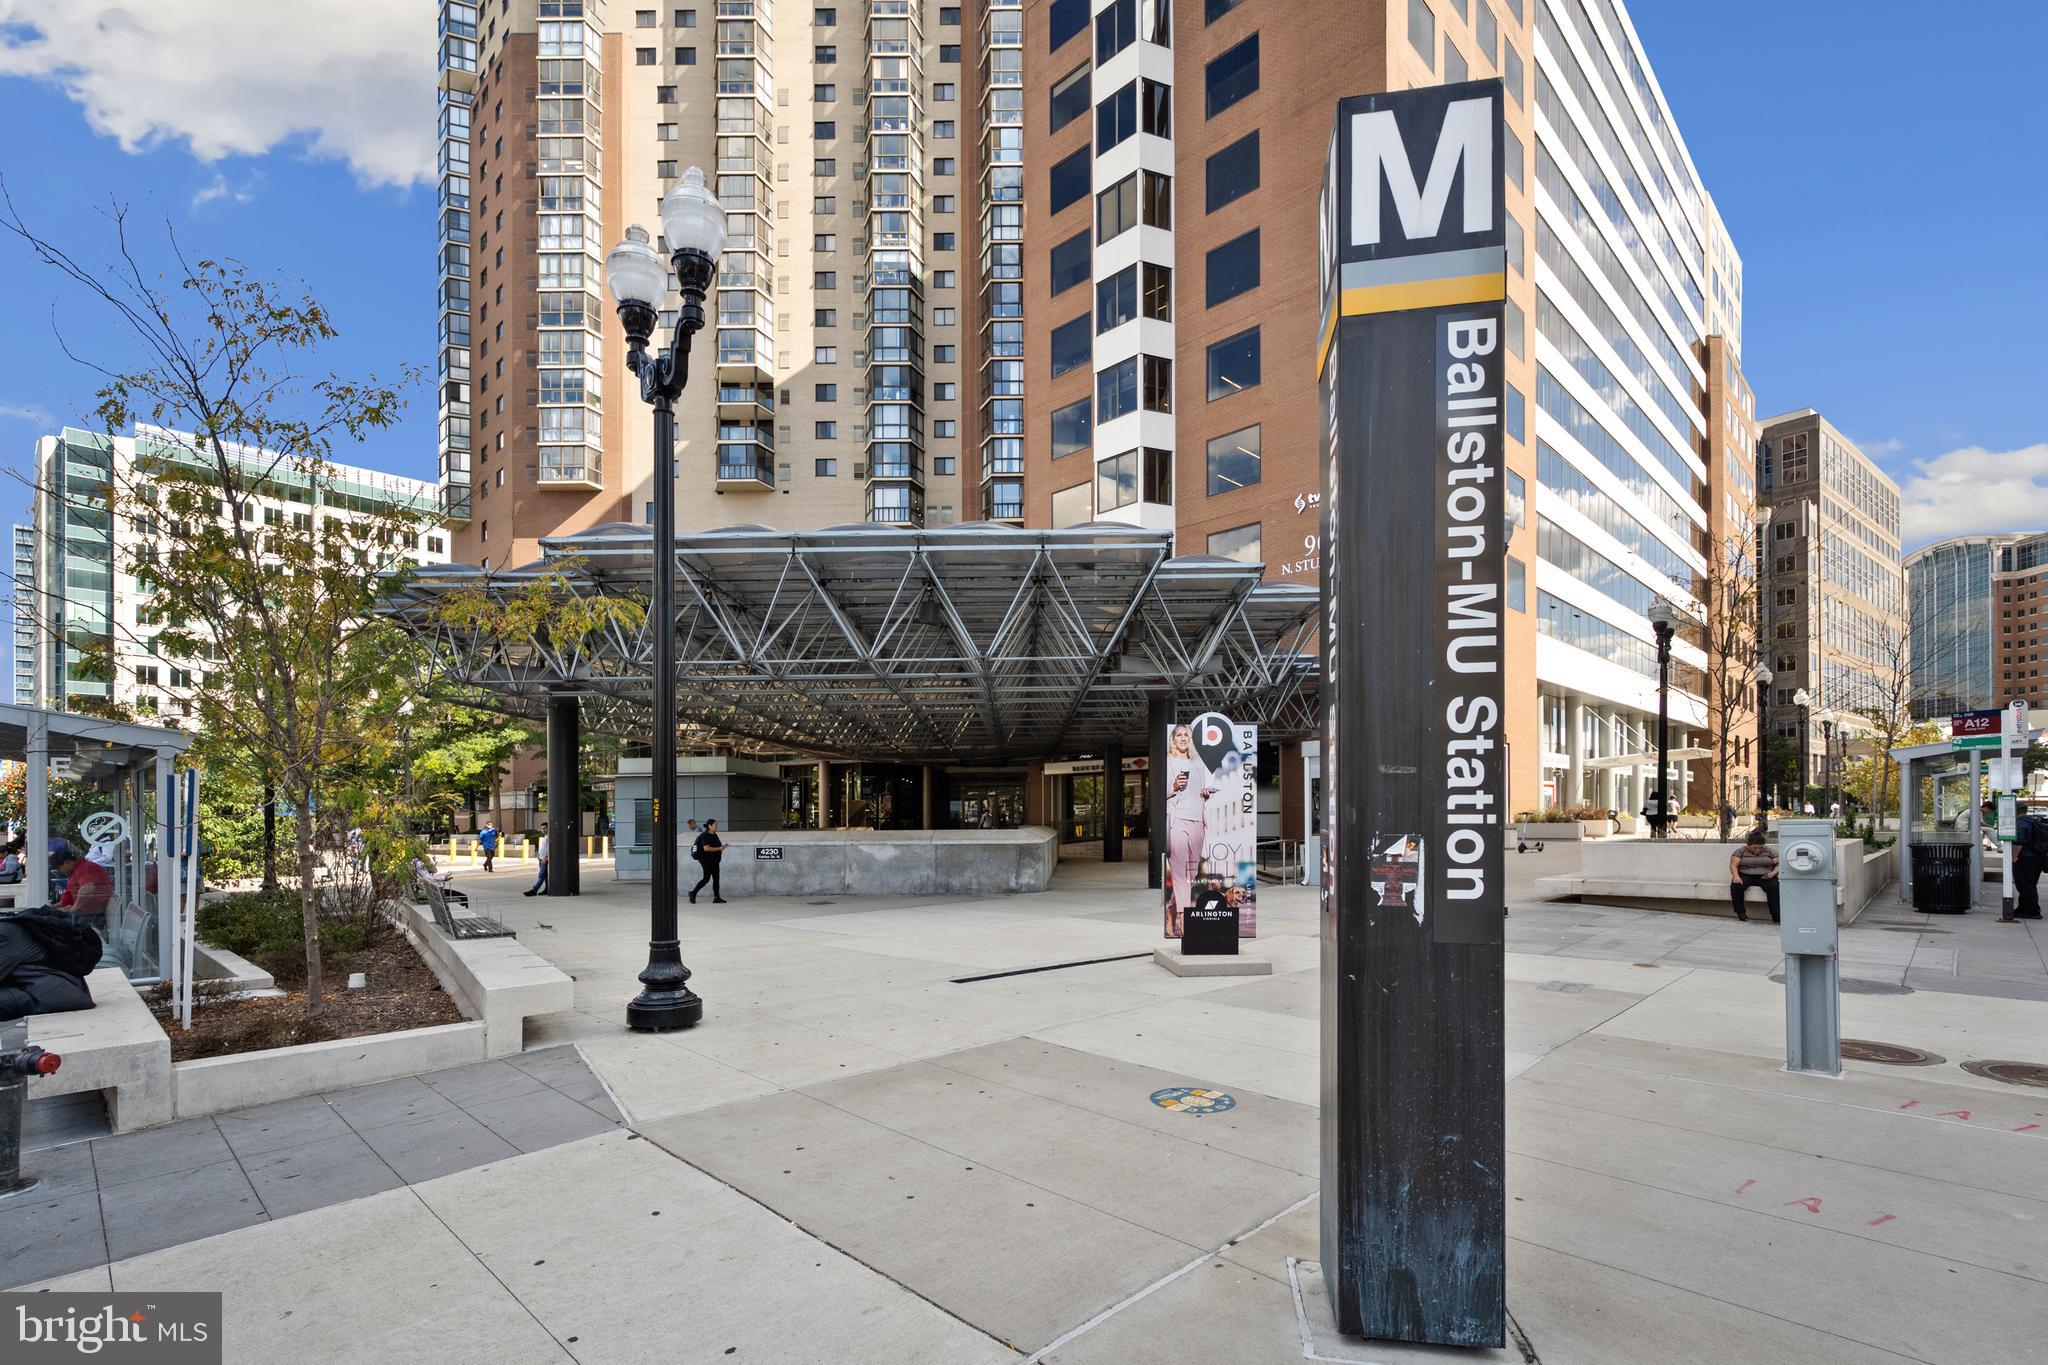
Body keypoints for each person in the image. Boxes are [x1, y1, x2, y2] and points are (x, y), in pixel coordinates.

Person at [1164, 724, 1215, 928]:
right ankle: (1185, 918)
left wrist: (1205, 793)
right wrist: (1174, 786)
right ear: (1173, 740)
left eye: (1186, 735)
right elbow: (1161, 792)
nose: (1183, 738)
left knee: (1191, 875)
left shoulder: (1197, 763)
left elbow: (1198, 791)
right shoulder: (1167, 762)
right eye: (1179, 735)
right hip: (1177, 821)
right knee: (1179, 873)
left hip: (1198, 821)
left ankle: (1172, 907)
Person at [1982, 800, 2045, 922]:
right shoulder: (2032, 820)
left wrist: (2014, 857)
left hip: (2025, 858)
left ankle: (2032, 911)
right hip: (2037, 858)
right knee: (2029, 884)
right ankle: (2024, 908)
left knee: (2025, 885)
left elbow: (2018, 842)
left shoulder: (2020, 823)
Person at [53, 845, 113, 927]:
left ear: (67, 862)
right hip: (85, 912)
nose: (60, 872)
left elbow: (87, 890)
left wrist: (73, 909)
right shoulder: (76, 870)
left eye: (59, 868)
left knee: (50, 922)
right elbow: (67, 900)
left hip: (91, 914)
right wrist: (52, 908)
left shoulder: (85, 868)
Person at [1728, 830, 1780, 923]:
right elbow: (1733, 865)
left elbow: (1779, 864)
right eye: (1755, 848)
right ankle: (1740, 912)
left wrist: (1774, 873)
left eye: (1761, 847)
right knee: (1736, 885)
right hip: (1746, 874)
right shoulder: (1741, 851)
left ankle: (1776, 914)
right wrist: (1736, 876)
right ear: (1748, 845)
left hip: (1765, 875)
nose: (1758, 850)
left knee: (1774, 886)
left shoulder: (1770, 851)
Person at [690, 818, 726, 903]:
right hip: (706, 861)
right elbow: (706, 848)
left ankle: (717, 897)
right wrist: (718, 848)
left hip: (715, 861)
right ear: (710, 826)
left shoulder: (714, 835)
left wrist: (721, 848)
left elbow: (717, 847)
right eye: (715, 825)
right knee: (706, 879)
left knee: (716, 879)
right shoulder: (705, 835)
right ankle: (693, 893)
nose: (716, 827)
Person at [524, 832, 549, 896]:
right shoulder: (545, 837)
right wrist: (539, 855)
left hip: (544, 859)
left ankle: (534, 890)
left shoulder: (548, 837)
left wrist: (545, 857)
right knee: (545, 875)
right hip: (541, 858)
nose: (543, 830)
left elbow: (549, 848)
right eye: (542, 828)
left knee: (542, 875)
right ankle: (547, 889)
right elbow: (543, 847)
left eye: (545, 828)